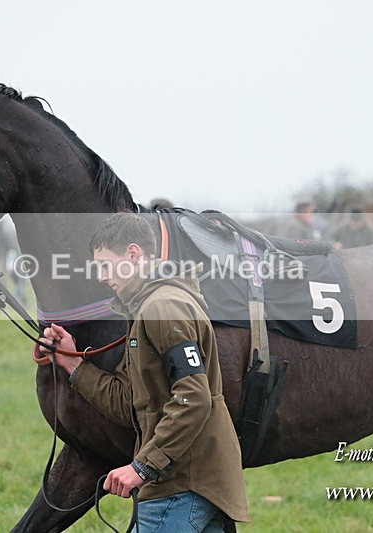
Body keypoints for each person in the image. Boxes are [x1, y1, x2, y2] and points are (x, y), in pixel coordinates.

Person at [37, 213, 249, 531]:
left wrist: (141, 468)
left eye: (105, 265)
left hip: (181, 485)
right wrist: (71, 363)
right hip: (188, 481)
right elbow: (130, 403)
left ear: (133, 255)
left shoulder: (162, 309)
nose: (100, 276)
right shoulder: (145, 309)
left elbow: (194, 398)